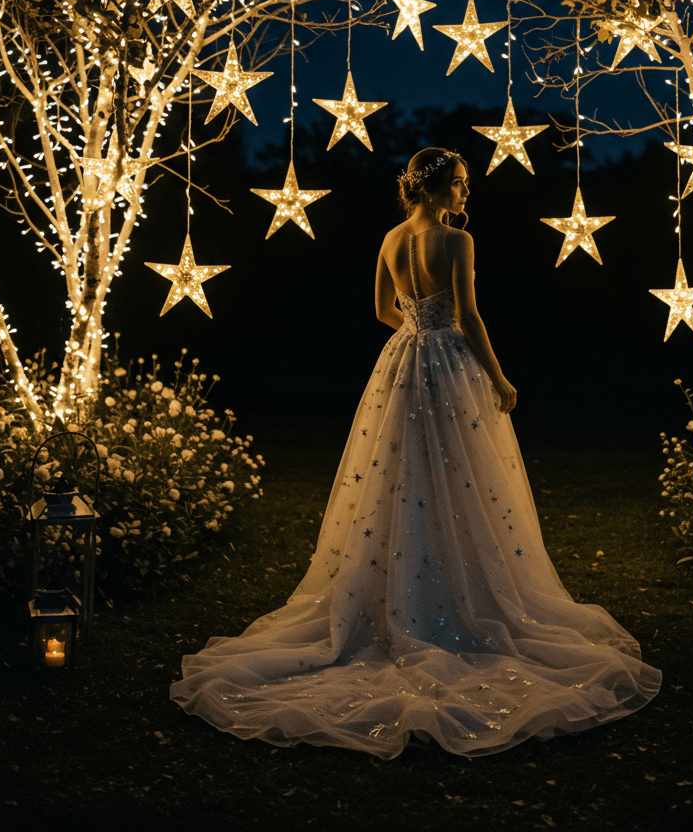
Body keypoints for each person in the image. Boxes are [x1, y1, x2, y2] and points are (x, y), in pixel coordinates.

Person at [170, 147, 660, 757]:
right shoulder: (457, 243)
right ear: (432, 189)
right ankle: (455, 597)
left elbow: (382, 309)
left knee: (398, 474)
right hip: (450, 363)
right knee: (461, 477)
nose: (465, 194)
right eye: (457, 183)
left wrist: (415, 330)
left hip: (403, 362)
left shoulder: (391, 237)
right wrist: (498, 377)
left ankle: (400, 591)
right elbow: (473, 318)